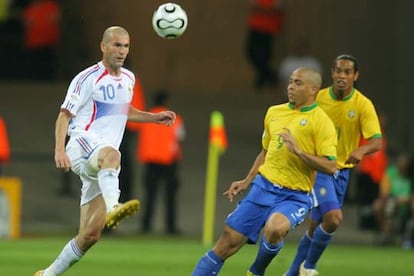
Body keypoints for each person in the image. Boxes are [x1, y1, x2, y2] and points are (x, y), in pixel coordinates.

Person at [34, 26, 176, 276]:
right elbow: (63, 116)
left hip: (101, 164)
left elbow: (123, 110)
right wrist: (59, 150)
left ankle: (47, 274)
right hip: (82, 145)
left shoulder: (129, 79)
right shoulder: (87, 78)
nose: (121, 51)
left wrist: (153, 118)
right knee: (114, 154)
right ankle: (114, 207)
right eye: (116, 45)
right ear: (103, 46)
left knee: (90, 235)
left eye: (126, 46)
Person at [192, 67, 338, 276]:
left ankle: (256, 270)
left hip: (294, 195)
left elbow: (331, 166)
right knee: (226, 243)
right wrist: (247, 180)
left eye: (298, 83)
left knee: (275, 228)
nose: (291, 87)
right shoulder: (274, 112)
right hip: (263, 187)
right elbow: (266, 152)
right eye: (290, 81)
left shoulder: (322, 122)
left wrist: (299, 151)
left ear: (314, 89)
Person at [284, 54, 382, 276]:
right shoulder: (317, 98)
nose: (342, 76)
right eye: (338, 71)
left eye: (347, 72)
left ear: (355, 76)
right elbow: (295, 115)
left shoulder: (362, 104)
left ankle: (291, 273)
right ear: (332, 73)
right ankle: (308, 267)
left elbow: (376, 140)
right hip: (320, 168)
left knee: (315, 225)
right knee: (334, 218)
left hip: (342, 172)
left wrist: (361, 149)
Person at [138, 90, 185, 235]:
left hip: (151, 161)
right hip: (168, 161)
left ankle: (146, 225)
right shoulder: (174, 118)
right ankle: (170, 226)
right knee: (170, 196)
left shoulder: (147, 118)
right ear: (166, 102)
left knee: (150, 195)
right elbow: (181, 136)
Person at [373, 151, 413, 247]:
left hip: (408, 202)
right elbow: (384, 192)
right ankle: (386, 234)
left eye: (404, 164)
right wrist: (393, 199)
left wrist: (406, 199)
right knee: (379, 206)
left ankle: (409, 236)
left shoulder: (411, 176)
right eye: (400, 163)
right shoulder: (391, 173)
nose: (402, 166)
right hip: (392, 200)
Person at [245, 0, 285, 90]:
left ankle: (263, 81)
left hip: (269, 28)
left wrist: (263, 8)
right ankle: (271, 78)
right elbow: (253, 6)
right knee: (251, 53)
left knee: (265, 56)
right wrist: (267, 9)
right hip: (256, 26)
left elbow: (278, 7)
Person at [22, 0, 60, 80]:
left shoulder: (51, 6)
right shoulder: (31, 8)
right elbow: (27, 23)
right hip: (33, 43)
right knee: (34, 66)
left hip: (47, 42)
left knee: (47, 65)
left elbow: (55, 20)